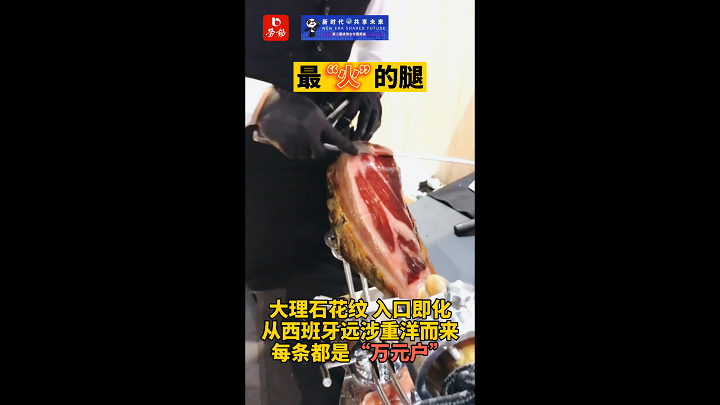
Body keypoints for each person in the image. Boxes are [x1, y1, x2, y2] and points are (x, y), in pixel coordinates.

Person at [244, 1, 390, 404]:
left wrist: (365, 77)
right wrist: (260, 102)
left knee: (325, 368)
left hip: (314, 175)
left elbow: (373, 26)